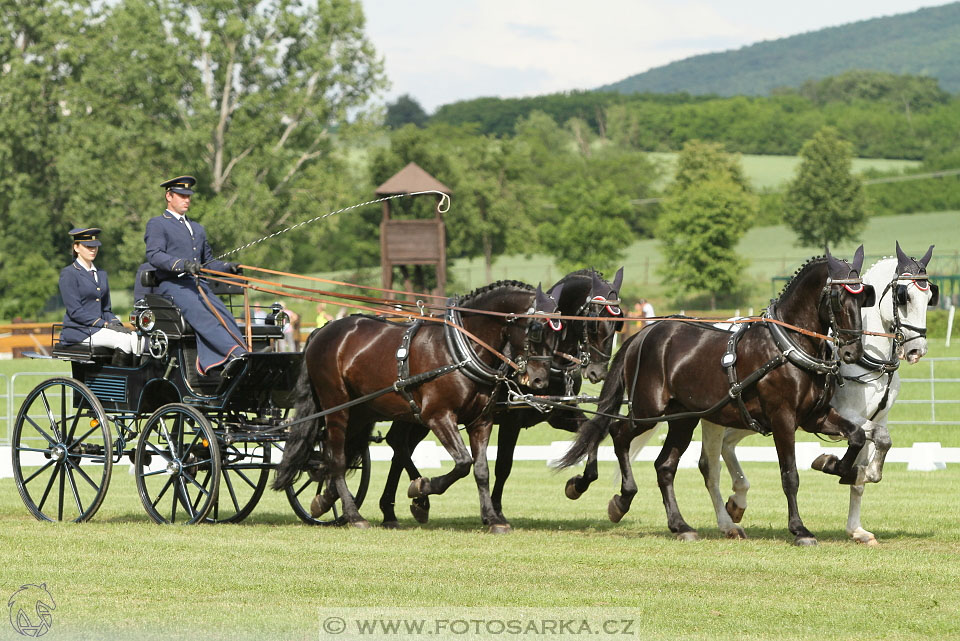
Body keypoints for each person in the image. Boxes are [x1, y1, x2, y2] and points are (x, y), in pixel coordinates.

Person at [144, 175, 247, 376]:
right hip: (172, 285)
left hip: (197, 285)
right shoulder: (157, 224)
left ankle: (240, 354)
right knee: (202, 314)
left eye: (188, 196)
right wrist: (182, 264)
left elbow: (208, 262)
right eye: (182, 195)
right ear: (169, 196)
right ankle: (233, 355)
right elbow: (154, 255)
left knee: (224, 314)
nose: (187, 200)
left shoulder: (197, 228)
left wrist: (228, 267)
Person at [59, 227, 141, 366]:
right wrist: (105, 324)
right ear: (76, 247)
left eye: (95, 247)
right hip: (79, 331)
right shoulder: (69, 274)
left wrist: (116, 323)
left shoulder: (101, 274)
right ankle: (116, 384)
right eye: (88, 246)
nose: (93, 250)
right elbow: (75, 312)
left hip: (99, 329)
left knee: (136, 339)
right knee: (124, 341)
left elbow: (106, 309)